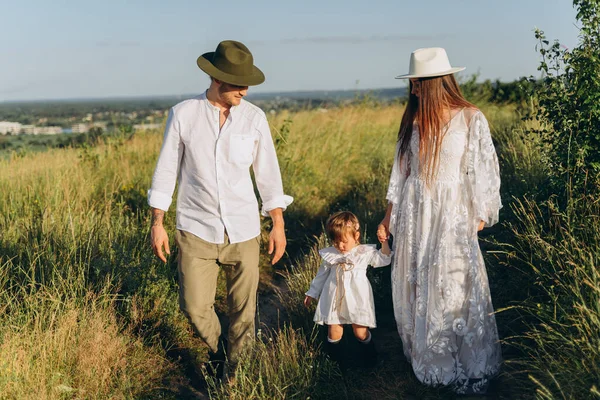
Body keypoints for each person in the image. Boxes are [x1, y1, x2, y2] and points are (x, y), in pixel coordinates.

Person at [147, 40, 293, 377]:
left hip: (243, 230)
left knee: (244, 311)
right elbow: (166, 169)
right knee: (194, 306)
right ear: (217, 79)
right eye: (239, 84)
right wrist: (158, 222)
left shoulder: (255, 119)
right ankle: (222, 349)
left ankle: (236, 378)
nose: (244, 90)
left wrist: (278, 224)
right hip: (196, 228)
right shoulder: (183, 114)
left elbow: (268, 174)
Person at [377, 47, 502, 394]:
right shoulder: (412, 121)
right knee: (419, 284)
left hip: (452, 213)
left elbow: (484, 169)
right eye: (412, 85)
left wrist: (479, 215)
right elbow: (400, 175)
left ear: (434, 83)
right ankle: (431, 358)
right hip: (417, 212)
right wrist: (388, 218)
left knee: (454, 285)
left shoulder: (470, 118)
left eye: (417, 85)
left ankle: (464, 358)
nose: (413, 91)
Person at [304, 211, 392, 367]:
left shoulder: (364, 253)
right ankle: (335, 363)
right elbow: (321, 276)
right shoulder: (331, 255)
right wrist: (312, 293)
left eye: (344, 241)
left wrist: (384, 242)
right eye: (336, 242)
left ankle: (371, 358)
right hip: (335, 297)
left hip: (358, 298)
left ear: (356, 236)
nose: (340, 246)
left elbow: (383, 259)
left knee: (360, 333)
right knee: (334, 332)